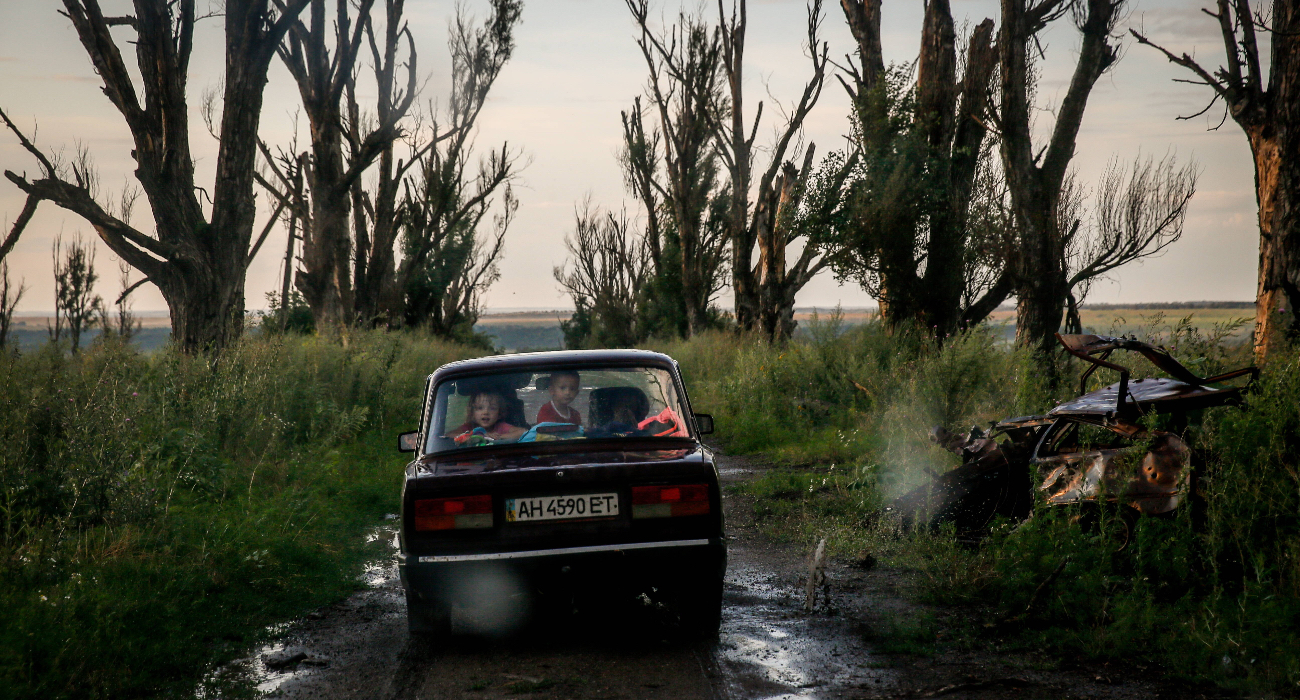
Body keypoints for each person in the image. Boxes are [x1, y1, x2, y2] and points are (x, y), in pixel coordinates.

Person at [450, 390, 525, 442]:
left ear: (499, 414)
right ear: (472, 413)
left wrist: (498, 437)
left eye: (492, 408)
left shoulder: (501, 427)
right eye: (479, 408)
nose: (485, 412)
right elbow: (449, 435)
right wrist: (477, 437)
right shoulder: (468, 427)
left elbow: (522, 432)